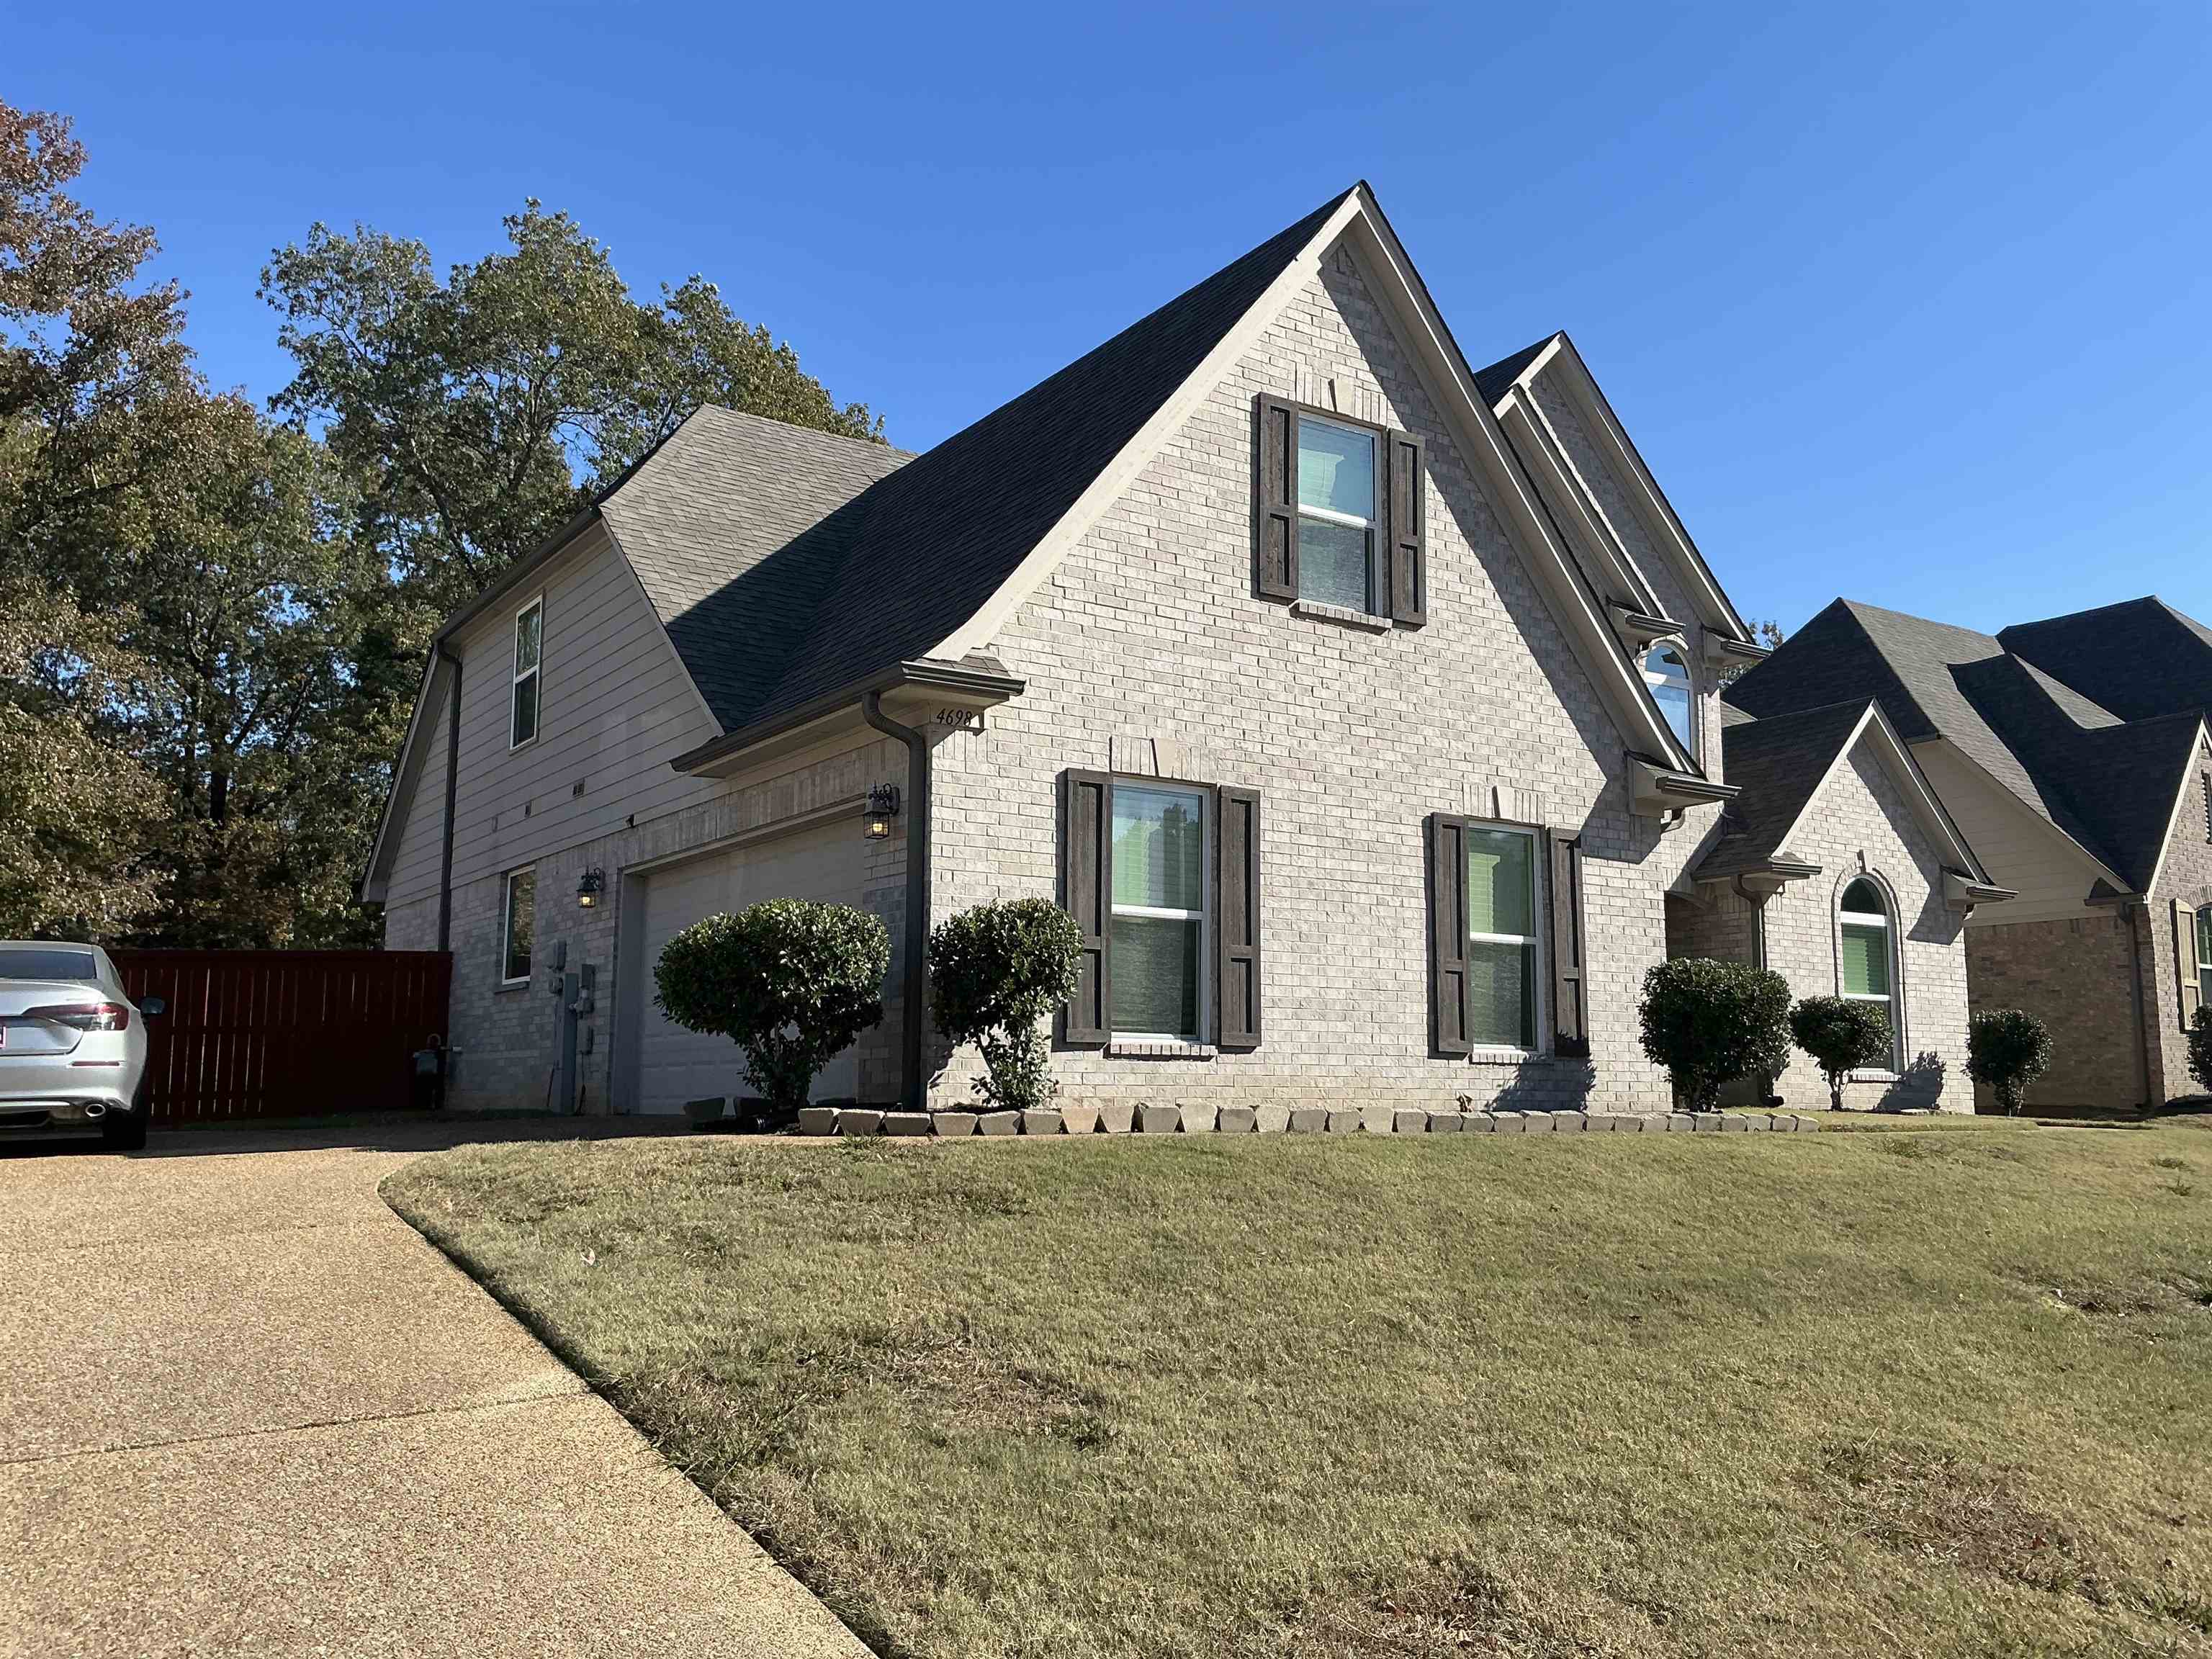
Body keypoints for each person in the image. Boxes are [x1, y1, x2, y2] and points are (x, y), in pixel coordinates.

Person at [412, 1033, 447, 1111]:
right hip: (427, 1074)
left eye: (434, 1041)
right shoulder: (425, 1052)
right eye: (431, 1041)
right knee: (427, 1090)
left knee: (436, 1090)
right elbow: (415, 1057)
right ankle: (426, 1105)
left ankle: (435, 1106)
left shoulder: (440, 1050)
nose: (432, 1043)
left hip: (435, 1074)